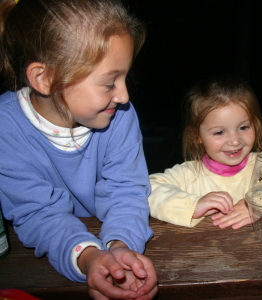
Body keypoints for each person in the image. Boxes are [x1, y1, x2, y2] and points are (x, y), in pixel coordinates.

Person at [0, 0, 158, 299]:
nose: (124, 96)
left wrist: (120, 250)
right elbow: (39, 213)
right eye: (110, 82)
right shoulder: (5, 129)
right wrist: (88, 258)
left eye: (125, 78)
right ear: (44, 79)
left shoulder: (119, 115)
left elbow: (126, 191)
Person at [148, 74, 262, 228]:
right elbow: (146, 190)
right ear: (197, 135)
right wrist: (193, 205)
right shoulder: (189, 174)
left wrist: (260, 203)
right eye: (219, 132)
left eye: (243, 127)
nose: (235, 141)